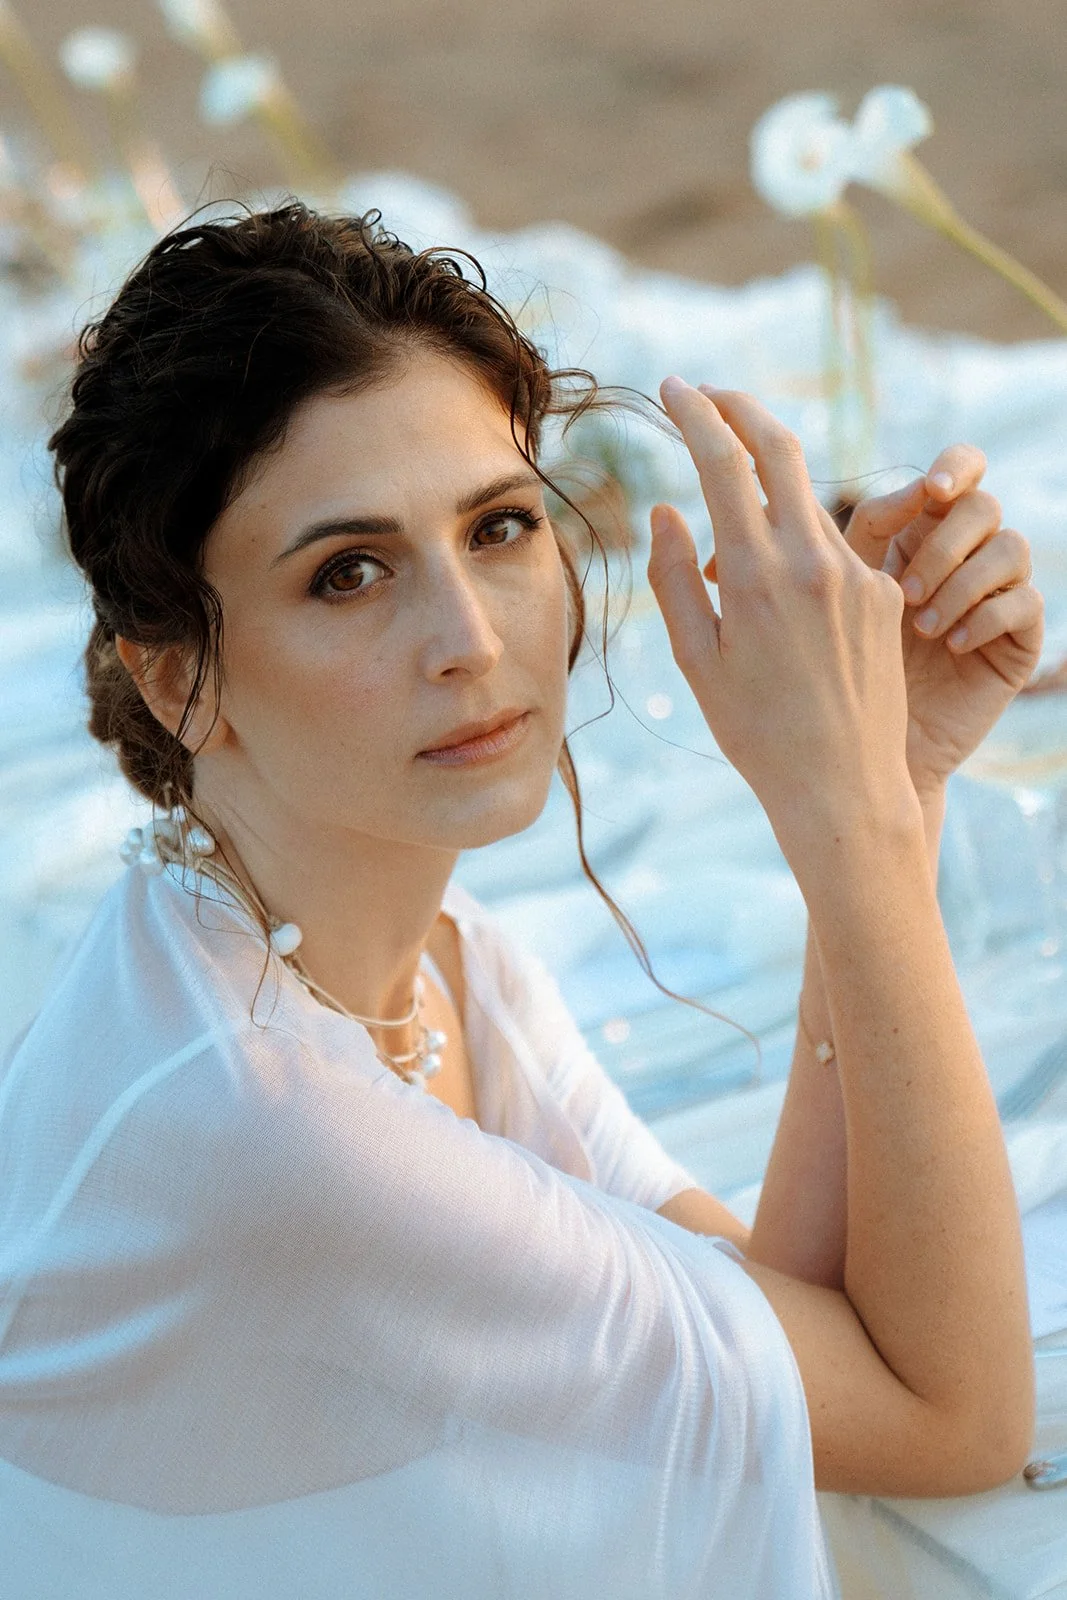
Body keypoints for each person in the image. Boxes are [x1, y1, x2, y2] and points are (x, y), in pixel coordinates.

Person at [0, 200, 1041, 1599]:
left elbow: (773, 1340)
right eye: (348, 574)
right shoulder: (277, 1131)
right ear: (180, 675)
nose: (472, 638)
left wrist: (894, 779)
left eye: (497, 527)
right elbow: (948, 1421)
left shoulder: (410, 958)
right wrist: (846, 818)